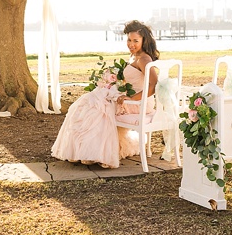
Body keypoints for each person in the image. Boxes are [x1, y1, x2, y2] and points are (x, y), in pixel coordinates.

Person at [51, 20, 160, 168]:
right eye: (129, 40)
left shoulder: (144, 59)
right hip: (132, 99)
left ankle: (95, 152)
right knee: (90, 102)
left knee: (98, 107)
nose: (131, 44)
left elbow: (154, 85)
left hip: (139, 103)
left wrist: (131, 98)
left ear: (144, 40)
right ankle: (86, 151)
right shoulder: (135, 57)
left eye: (136, 41)